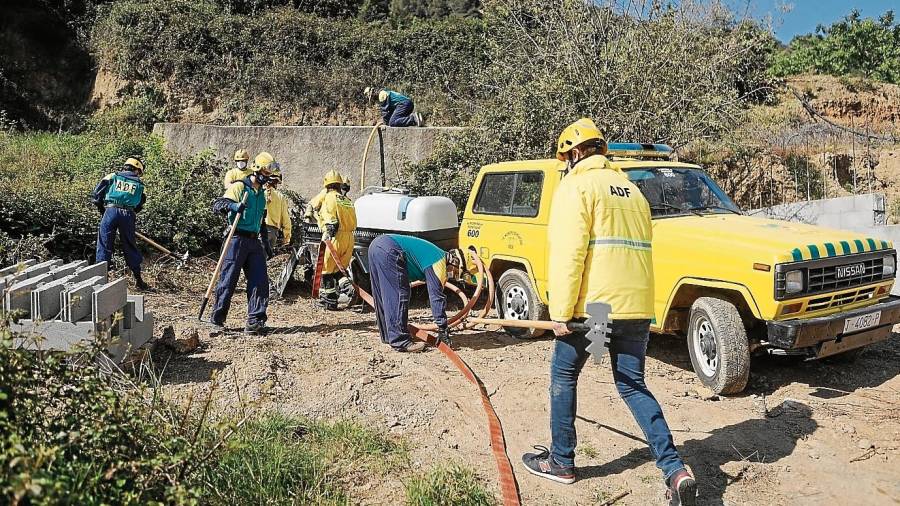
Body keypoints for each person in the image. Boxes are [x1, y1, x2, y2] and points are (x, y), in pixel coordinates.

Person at [521, 119, 697, 506]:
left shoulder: (577, 187)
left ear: (576, 152)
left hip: (597, 310)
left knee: (564, 374)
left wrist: (560, 313)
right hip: (635, 309)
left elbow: (570, 254)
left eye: (565, 157)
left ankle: (562, 463)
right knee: (632, 384)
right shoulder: (632, 191)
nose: (565, 164)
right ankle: (675, 469)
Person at [208, 152, 276, 334]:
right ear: (257, 170)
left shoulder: (261, 194)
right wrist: (232, 206)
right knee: (228, 280)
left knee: (259, 281)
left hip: (254, 242)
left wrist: (266, 244)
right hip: (235, 238)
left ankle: (255, 321)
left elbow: (261, 221)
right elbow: (217, 204)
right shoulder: (240, 187)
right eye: (267, 174)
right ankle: (217, 318)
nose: (268, 178)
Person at [367, 235, 468, 353]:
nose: (450, 274)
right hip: (390, 249)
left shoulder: (435, 253)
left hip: (376, 246)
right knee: (400, 294)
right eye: (454, 272)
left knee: (385, 294)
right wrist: (442, 329)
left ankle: (388, 336)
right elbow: (436, 297)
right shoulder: (439, 262)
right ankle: (400, 341)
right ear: (455, 262)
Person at [92, 157, 149, 290]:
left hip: (110, 211)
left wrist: (103, 211)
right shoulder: (140, 184)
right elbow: (140, 204)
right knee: (130, 245)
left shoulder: (112, 176)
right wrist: (129, 215)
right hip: (128, 214)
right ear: (136, 170)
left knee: (104, 243)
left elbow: (96, 195)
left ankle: (101, 281)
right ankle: (139, 280)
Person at [317, 170, 357, 310]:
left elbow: (330, 217)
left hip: (336, 237)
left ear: (327, 185)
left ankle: (330, 302)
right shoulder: (346, 200)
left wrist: (329, 231)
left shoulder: (329, 197)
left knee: (327, 272)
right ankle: (349, 288)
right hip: (349, 238)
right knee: (339, 270)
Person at [264, 165, 292, 249]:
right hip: (274, 233)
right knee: (263, 260)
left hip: (260, 231)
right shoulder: (280, 197)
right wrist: (287, 237)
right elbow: (286, 219)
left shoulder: (259, 194)